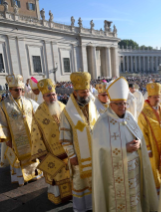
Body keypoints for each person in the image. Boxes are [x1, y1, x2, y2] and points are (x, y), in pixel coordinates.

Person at [92, 77, 158, 212]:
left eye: (124, 103)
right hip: (114, 175)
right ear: (111, 104)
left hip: (134, 171)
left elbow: (139, 136)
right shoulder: (102, 122)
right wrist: (123, 148)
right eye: (118, 104)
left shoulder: (129, 117)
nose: (123, 107)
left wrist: (139, 142)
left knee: (135, 199)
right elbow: (100, 150)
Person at [59, 72, 99, 212]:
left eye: (87, 91)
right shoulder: (67, 113)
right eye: (83, 92)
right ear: (75, 93)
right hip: (79, 156)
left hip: (95, 153)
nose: (86, 95)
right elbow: (64, 137)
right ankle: (81, 208)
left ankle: (95, 204)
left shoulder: (92, 106)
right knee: (80, 182)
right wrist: (71, 155)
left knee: (96, 181)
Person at [30, 78, 71, 204]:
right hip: (52, 154)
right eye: (48, 95)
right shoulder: (38, 114)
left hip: (69, 152)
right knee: (56, 179)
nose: (52, 97)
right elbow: (36, 136)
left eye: (53, 94)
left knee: (71, 176)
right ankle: (57, 197)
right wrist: (43, 156)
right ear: (43, 97)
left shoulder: (64, 107)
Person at [0, 74, 42, 186]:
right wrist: (7, 138)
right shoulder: (3, 105)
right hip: (15, 138)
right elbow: (1, 122)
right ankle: (21, 178)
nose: (19, 92)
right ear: (10, 90)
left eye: (21, 90)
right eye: (16, 90)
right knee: (19, 157)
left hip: (30, 136)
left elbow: (39, 113)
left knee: (32, 155)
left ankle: (34, 174)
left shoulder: (28, 102)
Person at [138, 82, 161, 192]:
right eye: (154, 97)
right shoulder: (144, 113)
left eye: (158, 97)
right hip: (151, 148)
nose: (157, 99)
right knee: (153, 170)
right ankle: (155, 194)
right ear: (149, 98)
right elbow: (142, 132)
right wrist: (147, 149)